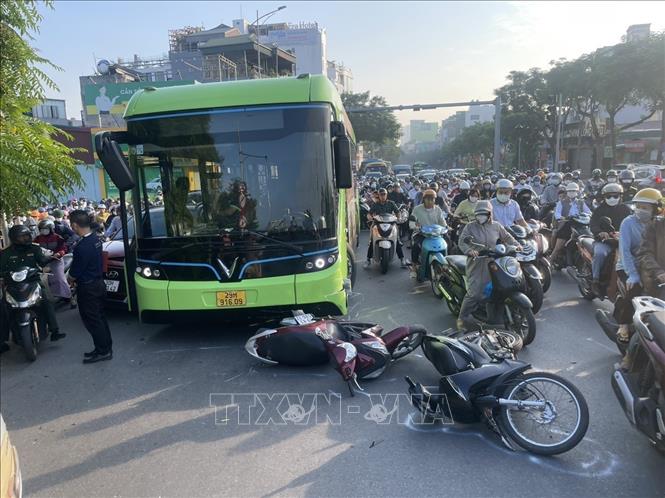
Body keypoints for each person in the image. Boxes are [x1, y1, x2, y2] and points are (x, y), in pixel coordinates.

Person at [0, 225, 66, 346]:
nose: (26, 238)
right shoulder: (5, 253)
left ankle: (54, 330)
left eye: (27, 235)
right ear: (14, 238)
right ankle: (2, 341)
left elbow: (41, 261)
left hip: (33, 282)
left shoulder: (34, 249)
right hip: (12, 285)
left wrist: (51, 258)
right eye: (23, 236)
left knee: (46, 301)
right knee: (4, 308)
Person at [457, 201, 519, 330]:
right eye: (478, 214)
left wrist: (516, 245)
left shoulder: (496, 226)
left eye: (484, 214)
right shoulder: (470, 227)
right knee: (475, 293)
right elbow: (462, 242)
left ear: (489, 214)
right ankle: (462, 318)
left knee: (498, 287)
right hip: (477, 261)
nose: (481, 216)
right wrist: (470, 251)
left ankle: (493, 316)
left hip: (494, 260)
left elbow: (507, 237)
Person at [613, 188, 663, 347]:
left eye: (646, 208)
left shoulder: (658, 225)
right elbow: (624, 251)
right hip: (628, 266)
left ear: (656, 209)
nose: (641, 211)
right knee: (635, 289)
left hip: (649, 268)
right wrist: (633, 275)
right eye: (639, 207)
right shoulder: (628, 223)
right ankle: (624, 325)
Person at [67, 210, 113, 363]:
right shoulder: (95, 239)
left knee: (92, 320)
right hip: (97, 284)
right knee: (99, 317)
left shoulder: (83, 246)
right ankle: (104, 347)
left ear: (74, 225)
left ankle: (103, 351)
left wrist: (70, 278)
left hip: (88, 287)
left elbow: (76, 270)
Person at [589, 183, 632, 295]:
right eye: (609, 196)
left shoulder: (626, 209)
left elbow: (632, 224)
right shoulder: (599, 210)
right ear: (604, 197)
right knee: (600, 254)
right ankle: (595, 280)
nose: (612, 199)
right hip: (604, 241)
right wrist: (600, 232)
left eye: (615, 196)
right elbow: (593, 224)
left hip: (621, 241)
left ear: (620, 197)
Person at [549, 182, 592, 267]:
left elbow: (589, 212)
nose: (572, 193)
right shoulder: (561, 202)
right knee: (558, 247)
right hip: (566, 225)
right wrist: (562, 217)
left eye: (574, 191)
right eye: (570, 191)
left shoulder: (581, 202)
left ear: (577, 192)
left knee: (589, 240)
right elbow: (557, 214)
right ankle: (550, 262)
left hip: (580, 225)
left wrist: (586, 216)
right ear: (567, 192)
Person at [365, 188, 407, 268]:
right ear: (379, 195)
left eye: (384, 194)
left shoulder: (391, 203)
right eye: (381, 194)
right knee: (372, 241)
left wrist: (398, 218)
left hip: (390, 224)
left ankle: (402, 259)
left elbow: (397, 212)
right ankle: (368, 260)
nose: (383, 196)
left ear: (386, 195)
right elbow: (369, 213)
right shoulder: (375, 204)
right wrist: (370, 218)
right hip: (377, 224)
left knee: (397, 240)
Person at [410, 189, 447, 277]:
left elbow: (442, 222)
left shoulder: (438, 209)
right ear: (424, 199)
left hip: (436, 235)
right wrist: (414, 226)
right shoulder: (417, 209)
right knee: (416, 246)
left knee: (448, 242)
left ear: (435, 199)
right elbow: (412, 221)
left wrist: (446, 227)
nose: (430, 201)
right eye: (428, 199)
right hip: (421, 234)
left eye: (432, 199)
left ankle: (446, 264)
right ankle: (414, 266)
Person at [34, 219, 72, 301]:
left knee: (59, 278)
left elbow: (63, 248)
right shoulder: (37, 238)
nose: (43, 230)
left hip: (56, 260)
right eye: (42, 229)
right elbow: (33, 248)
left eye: (45, 228)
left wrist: (58, 254)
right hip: (43, 262)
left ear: (51, 229)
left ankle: (70, 297)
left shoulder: (57, 237)